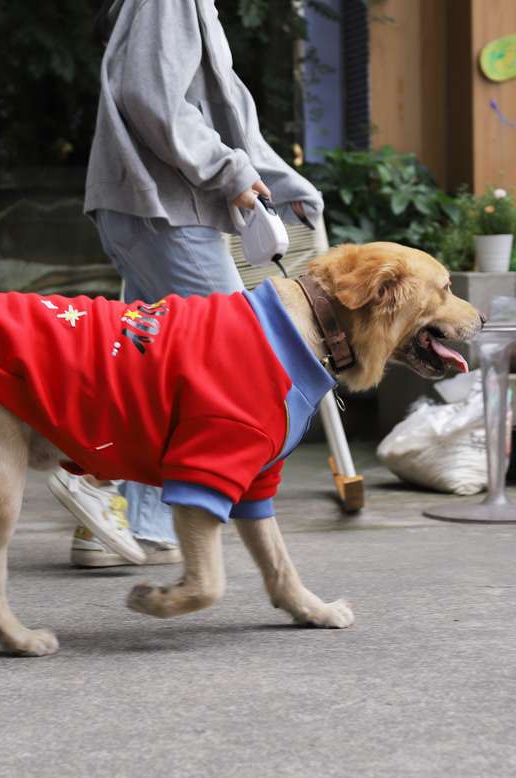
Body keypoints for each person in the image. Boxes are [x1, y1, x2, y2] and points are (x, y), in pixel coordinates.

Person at [49, 0, 323, 568]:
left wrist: (277, 179)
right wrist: (233, 173)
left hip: (160, 209)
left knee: (158, 368)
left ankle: (134, 521)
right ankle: (92, 476)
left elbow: (221, 114)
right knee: (228, 362)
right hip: (163, 212)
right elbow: (153, 101)